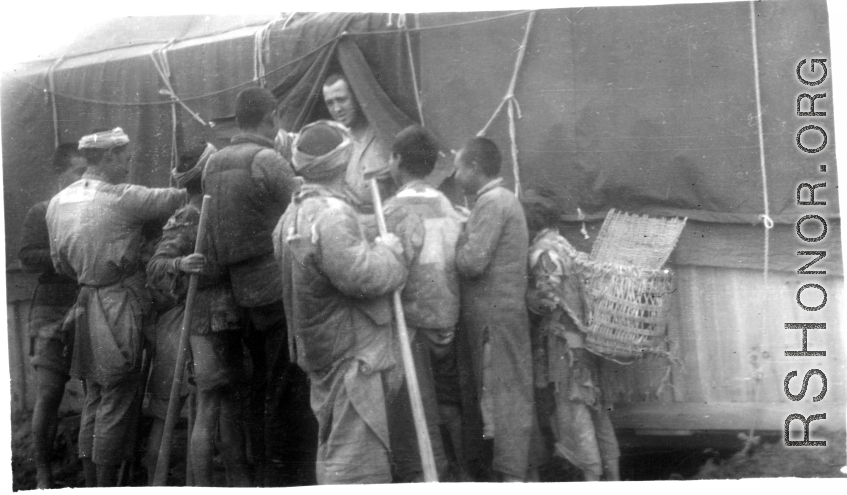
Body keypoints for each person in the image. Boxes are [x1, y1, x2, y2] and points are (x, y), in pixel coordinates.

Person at [47, 128, 187, 486]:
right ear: (108, 158)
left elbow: (61, 264)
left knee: (94, 397)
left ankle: (92, 483)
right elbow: (176, 196)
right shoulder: (120, 197)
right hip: (117, 303)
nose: (127, 167)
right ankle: (106, 488)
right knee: (117, 399)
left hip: (84, 301)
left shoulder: (58, 202)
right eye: (124, 159)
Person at [273, 120, 408, 484]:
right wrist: (390, 253)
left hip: (319, 346)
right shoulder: (331, 214)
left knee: (334, 446)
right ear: (343, 161)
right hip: (350, 352)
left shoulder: (293, 213)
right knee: (356, 461)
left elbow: (327, 257)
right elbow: (361, 276)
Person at [202, 87, 314, 486]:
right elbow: (306, 208)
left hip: (238, 293)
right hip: (276, 289)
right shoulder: (266, 159)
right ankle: (288, 476)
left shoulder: (214, 162)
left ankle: (263, 470)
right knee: (287, 385)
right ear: (272, 118)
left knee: (257, 384)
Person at [146, 143, 251, 486]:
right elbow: (156, 265)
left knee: (230, 406)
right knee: (208, 406)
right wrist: (181, 263)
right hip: (206, 319)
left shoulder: (217, 208)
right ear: (205, 173)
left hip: (229, 318)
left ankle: (239, 483)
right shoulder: (189, 214)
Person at [454, 137, 540, 482]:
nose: (456, 175)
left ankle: (512, 478)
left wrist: (459, 235)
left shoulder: (491, 203)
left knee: (503, 397)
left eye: (459, 167)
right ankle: (525, 473)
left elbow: (472, 262)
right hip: (505, 316)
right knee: (514, 392)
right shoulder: (501, 201)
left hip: (494, 321)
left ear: (475, 168)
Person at [383, 125, 466, 479]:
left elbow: (389, 269)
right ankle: (463, 470)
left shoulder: (392, 210)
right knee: (451, 401)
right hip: (448, 316)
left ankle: (430, 475)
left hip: (412, 324)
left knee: (419, 406)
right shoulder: (448, 206)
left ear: (398, 160)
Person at [523, 190, 621, 482]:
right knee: (599, 415)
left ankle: (592, 481)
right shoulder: (564, 244)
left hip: (563, 345)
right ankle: (614, 480)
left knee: (577, 418)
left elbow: (548, 298)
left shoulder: (542, 251)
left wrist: (526, 297)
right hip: (585, 343)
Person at [18, 143, 87, 489]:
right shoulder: (41, 211)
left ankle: (94, 473)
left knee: (97, 390)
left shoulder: (94, 210)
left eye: (87, 171)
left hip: (90, 302)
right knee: (49, 394)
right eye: (77, 171)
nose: (84, 178)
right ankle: (43, 474)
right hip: (51, 307)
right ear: (60, 175)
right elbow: (27, 257)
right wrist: (62, 257)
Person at [322, 73, 393, 207]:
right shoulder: (334, 144)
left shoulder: (383, 135)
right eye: (330, 103)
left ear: (356, 96)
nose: (337, 109)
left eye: (342, 99)